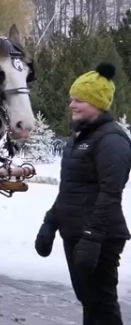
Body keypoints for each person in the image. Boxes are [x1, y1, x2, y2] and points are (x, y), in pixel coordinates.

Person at [35, 62, 131, 325]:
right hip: (75, 233)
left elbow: (110, 193)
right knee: (89, 300)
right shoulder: (79, 138)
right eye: (71, 99)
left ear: (98, 103)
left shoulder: (111, 140)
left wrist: (92, 238)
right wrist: (50, 222)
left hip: (99, 238)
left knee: (101, 303)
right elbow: (70, 188)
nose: (72, 105)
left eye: (80, 100)